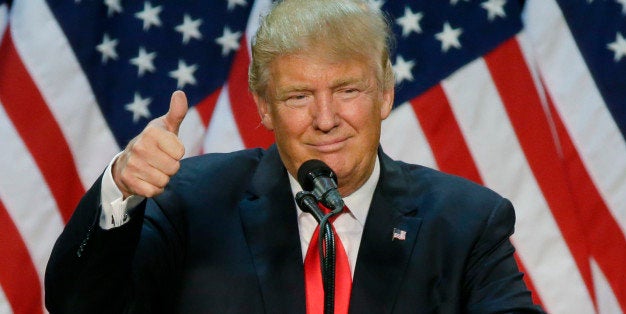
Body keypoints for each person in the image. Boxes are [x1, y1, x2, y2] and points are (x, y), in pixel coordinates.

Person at [45, 0, 544, 313]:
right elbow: (79, 307)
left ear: (386, 95)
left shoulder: (465, 221)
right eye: (298, 97)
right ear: (264, 106)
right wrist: (121, 191)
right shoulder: (192, 204)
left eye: (348, 90)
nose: (326, 118)